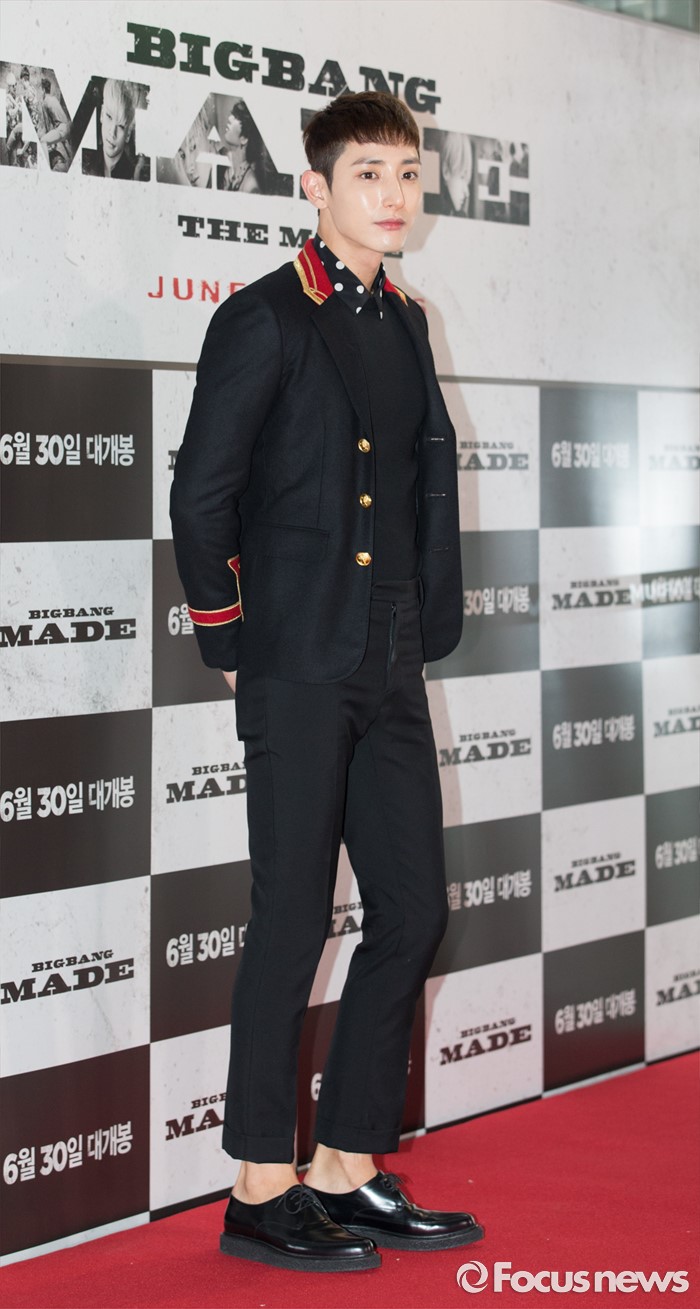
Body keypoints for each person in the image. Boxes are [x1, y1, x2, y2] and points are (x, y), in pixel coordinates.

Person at [170, 90, 484, 1274]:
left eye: (406, 173)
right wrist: (231, 642)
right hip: (298, 658)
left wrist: (417, 619)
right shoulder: (264, 318)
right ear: (314, 186)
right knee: (293, 916)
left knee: (412, 909)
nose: (393, 195)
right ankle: (260, 1185)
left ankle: (346, 1164)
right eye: (367, 173)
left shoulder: (405, 318)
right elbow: (201, 495)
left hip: (392, 652)